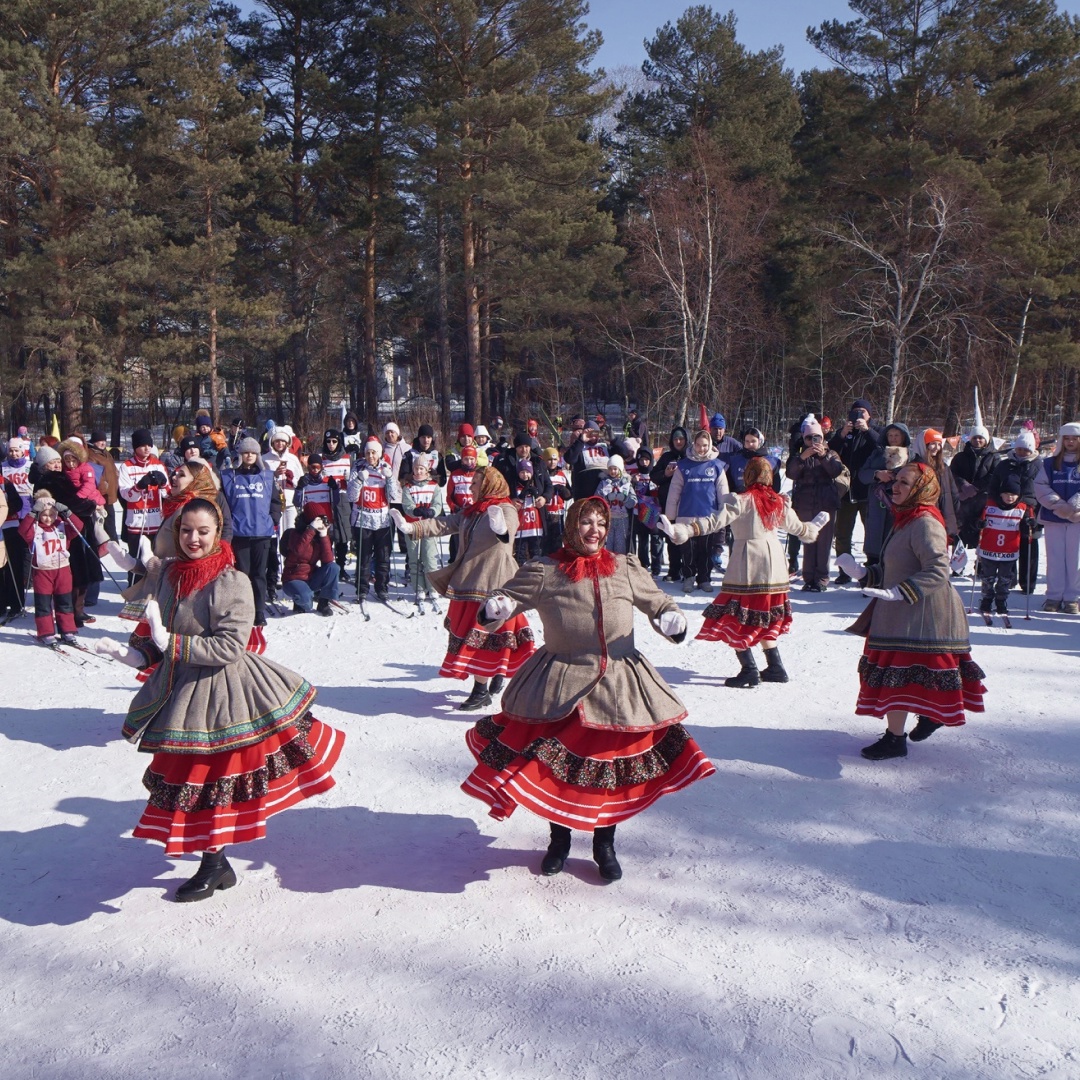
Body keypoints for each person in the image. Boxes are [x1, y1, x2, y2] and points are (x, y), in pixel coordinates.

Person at [88, 498, 344, 901]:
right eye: (186, 530)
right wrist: (133, 654)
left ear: (217, 533)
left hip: (223, 693)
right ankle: (216, 862)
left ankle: (214, 863)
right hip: (182, 690)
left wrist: (170, 642)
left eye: (202, 532)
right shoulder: (170, 573)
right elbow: (158, 634)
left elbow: (229, 647)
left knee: (210, 781)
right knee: (191, 780)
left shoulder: (232, 583)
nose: (193, 539)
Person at [462, 496, 715, 881]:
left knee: (607, 773)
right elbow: (509, 598)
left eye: (601, 522)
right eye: (586, 522)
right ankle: (559, 842)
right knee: (554, 772)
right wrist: (495, 607)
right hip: (560, 685)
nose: (595, 530)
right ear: (571, 527)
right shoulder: (546, 570)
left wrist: (669, 618)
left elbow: (657, 601)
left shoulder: (625, 567)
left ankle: (604, 844)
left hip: (618, 682)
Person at [837, 463, 987, 759]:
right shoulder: (906, 518)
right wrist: (860, 572)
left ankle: (909, 729)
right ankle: (906, 731)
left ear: (921, 489)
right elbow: (897, 566)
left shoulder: (925, 521)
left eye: (904, 483)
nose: (896, 487)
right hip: (902, 614)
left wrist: (899, 592)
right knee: (898, 675)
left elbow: (937, 569)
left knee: (904, 672)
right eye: (897, 481)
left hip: (927, 615)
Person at [661, 458, 826, 687]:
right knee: (765, 617)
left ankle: (749, 670)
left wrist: (686, 529)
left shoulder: (741, 501)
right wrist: (814, 527)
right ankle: (776, 667)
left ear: (747, 476)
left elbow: (713, 522)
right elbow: (799, 530)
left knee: (736, 616)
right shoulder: (777, 502)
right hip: (775, 570)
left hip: (748, 566)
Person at [390, 467, 534, 711]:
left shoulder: (506, 509)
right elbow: (443, 524)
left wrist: (501, 527)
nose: (471, 488)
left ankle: (480, 691)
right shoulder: (471, 512)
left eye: (477, 483)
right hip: (468, 582)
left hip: (494, 585)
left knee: (485, 638)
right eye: (472, 482)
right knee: (473, 636)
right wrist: (411, 528)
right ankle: (490, 677)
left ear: (489, 485)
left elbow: (507, 531)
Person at [665, 429, 729, 594]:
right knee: (688, 551)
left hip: (709, 517)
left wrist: (725, 514)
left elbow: (723, 492)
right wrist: (671, 516)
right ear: (694, 444)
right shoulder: (683, 465)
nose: (701, 449)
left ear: (710, 446)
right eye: (699, 445)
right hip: (686, 515)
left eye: (705, 445)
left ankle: (704, 578)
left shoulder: (717, 465)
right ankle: (688, 577)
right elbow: (674, 492)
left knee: (706, 551)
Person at [220, 437, 275, 629]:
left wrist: (273, 519)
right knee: (242, 575)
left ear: (258, 455)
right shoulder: (229, 476)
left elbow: (275, 502)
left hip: (262, 533)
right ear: (240, 455)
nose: (249, 455)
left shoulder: (267, 477)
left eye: (252, 452)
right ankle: (243, 610)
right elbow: (223, 503)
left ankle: (259, 611)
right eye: (245, 453)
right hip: (239, 533)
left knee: (259, 574)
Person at [786, 416, 844, 591]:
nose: (812, 441)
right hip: (805, 503)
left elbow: (836, 471)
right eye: (808, 438)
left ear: (822, 438)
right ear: (803, 439)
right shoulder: (799, 455)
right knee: (808, 540)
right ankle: (808, 578)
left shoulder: (831, 453)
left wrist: (823, 456)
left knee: (824, 543)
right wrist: (802, 458)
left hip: (826, 504)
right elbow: (791, 473)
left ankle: (822, 578)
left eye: (816, 437)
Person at [19, 492, 84, 646]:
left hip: (62, 571)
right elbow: (22, 531)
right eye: (44, 515)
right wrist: (32, 512)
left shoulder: (62, 526)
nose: (48, 518)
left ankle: (67, 631)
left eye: (52, 515)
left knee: (65, 602)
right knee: (43, 604)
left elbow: (78, 527)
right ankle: (46, 633)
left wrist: (67, 512)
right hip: (42, 572)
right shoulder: (33, 529)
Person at [829, 399, 881, 582]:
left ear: (869, 415)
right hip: (845, 492)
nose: (858, 415)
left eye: (862, 412)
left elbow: (883, 449)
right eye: (855, 411)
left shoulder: (877, 432)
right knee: (842, 533)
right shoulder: (845, 432)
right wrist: (842, 434)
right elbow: (830, 451)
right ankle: (845, 570)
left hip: (868, 492)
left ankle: (872, 570)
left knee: (872, 533)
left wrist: (867, 431)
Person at [1032, 422, 1080, 613]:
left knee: (1075, 559)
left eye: (1074, 439)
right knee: (1055, 558)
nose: (1069, 442)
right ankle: (1053, 596)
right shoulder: (1050, 463)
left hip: (1077, 518)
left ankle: (1072, 598)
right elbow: (1040, 486)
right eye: (1066, 438)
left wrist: (1074, 505)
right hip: (1055, 517)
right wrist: (1059, 506)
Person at [989, 429, 1042, 593]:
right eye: (1019, 449)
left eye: (1026, 449)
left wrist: (1039, 518)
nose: (1022, 452)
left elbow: (1043, 490)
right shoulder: (1004, 464)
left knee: (1029, 546)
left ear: (1032, 450)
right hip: (1006, 510)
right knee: (1008, 546)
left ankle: (1027, 583)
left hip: (1029, 510)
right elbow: (993, 486)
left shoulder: (1039, 465)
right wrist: (997, 502)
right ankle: (1007, 578)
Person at [347, 437, 399, 604]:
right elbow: (351, 496)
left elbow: (393, 496)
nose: (371, 456)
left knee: (383, 557)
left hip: (382, 520)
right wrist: (359, 480)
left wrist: (390, 478)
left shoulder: (386, 468)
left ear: (380, 453)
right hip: (363, 519)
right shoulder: (358, 467)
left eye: (374, 453)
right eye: (368, 452)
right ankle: (362, 589)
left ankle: (382, 588)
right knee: (364, 557)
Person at [975, 475, 1035, 619]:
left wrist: (1030, 524)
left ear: (1018, 495)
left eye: (1013, 495)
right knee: (988, 578)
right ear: (1000, 494)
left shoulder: (1022, 508)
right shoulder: (989, 505)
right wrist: (979, 524)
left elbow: (1027, 530)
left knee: (1005, 579)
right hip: (989, 549)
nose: (1010, 497)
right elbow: (977, 521)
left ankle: (1001, 601)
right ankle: (987, 600)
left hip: (1009, 551)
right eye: (1007, 494)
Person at [117, 429, 170, 579]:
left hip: (156, 522)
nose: (147, 448)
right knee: (137, 564)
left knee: (156, 563)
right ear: (135, 447)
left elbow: (168, 494)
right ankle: (134, 595)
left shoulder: (158, 465)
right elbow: (126, 495)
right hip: (136, 524)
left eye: (149, 445)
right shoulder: (126, 467)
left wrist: (164, 483)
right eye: (142, 445)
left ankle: (154, 595)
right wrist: (139, 486)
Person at [857, 423, 912, 567]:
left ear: (903, 437)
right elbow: (862, 474)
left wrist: (900, 476)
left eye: (897, 435)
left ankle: (891, 582)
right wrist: (877, 474)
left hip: (900, 505)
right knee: (874, 545)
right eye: (890, 435)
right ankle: (871, 581)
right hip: (877, 504)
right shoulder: (877, 453)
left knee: (895, 547)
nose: (893, 438)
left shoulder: (911, 455)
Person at [951, 422, 1003, 549]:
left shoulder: (994, 457)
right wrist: (963, 485)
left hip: (983, 503)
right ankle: (957, 568)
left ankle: (981, 568)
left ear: (986, 439)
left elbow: (995, 476)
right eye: (974, 437)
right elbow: (951, 474)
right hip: (962, 503)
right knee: (958, 541)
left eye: (981, 437)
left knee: (983, 539)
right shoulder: (960, 456)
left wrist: (975, 488)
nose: (977, 440)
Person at [401, 458, 446, 604]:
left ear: (427, 470)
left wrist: (432, 511)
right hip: (413, 526)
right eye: (416, 468)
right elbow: (406, 505)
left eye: (422, 469)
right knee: (414, 559)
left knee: (429, 558)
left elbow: (438, 504)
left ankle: (432, 588)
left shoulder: (434, 486)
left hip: (428, 526)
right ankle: (419, 588)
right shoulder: (408, 487)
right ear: (413, 470)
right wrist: (415, 510)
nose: (419, 471)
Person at [281, 509, 340, 615]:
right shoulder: (293, 533)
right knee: (307, 604)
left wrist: (323, 535)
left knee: (333, 567)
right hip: (293, 578)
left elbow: (328, 561)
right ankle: (300, 598)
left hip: (310, 576)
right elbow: (299, 551)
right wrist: (311, 529)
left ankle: (323, 603)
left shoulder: (318, 537)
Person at [1, 438, 34, 618]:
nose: (14, 454)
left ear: (23, 451)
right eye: (11, 450)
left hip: (25, 512)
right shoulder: (3, 466)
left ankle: (19, 597)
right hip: (7, 517)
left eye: (17, 450)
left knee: (21, 555)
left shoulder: (29, 466)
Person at [652, 427, 688, 581]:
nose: (678, 442)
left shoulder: (691, 455)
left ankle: (688, 570)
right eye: (675, 439)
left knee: (687, 537)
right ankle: (674, 570)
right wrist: (666, 474)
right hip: (669, 503)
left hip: (687, 503)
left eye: (681, 439)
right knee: (672, 537)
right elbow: (654, 476)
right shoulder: (666, 456)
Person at [913, 429, 960, 542]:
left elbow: (954, 495)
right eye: (932, 444)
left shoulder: (944, 468)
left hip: (946, 521)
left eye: (939, 444)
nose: (936, 448)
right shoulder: (914, 468)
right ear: (923, 445)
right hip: (923, 520)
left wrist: (957, 522)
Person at [630, 445, 663, 573]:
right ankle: (643, 564)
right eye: (641, 460)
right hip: (639, 511)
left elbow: (659, 491)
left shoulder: (654, 473)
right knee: (642, 539)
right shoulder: (634, 474)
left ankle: (656, 566)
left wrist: (653, 487)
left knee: (656, 539)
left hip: (653, 511)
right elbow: (628, 490)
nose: (644, 462)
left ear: (651, 460)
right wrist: (633, 482)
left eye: (646, 460)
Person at [595, 455, 636, 554]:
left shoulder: (626, 483)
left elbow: (633, 502)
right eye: (610, 469)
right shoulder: (604, 483)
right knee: (607, 544)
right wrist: (606, 498)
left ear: (620, 469)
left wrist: (625, 499)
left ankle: (619, 565)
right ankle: (607, 565)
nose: (613, 471)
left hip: (622, 518)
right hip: (608, 518)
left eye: (615, 469)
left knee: (620, 545)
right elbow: (596, 499)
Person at [509, 458, 546, 564]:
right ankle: (521, 573)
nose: (525, 475)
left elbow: (540, 502)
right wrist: (522, 496)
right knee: (521, 553)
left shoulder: (536, 484)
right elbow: (514, 503)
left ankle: (536, 571)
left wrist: (537, 494)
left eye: (527, 472)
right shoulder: (515, 485)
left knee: (536, 551)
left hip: (535, 526)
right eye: (522, 472)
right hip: (521, 526)